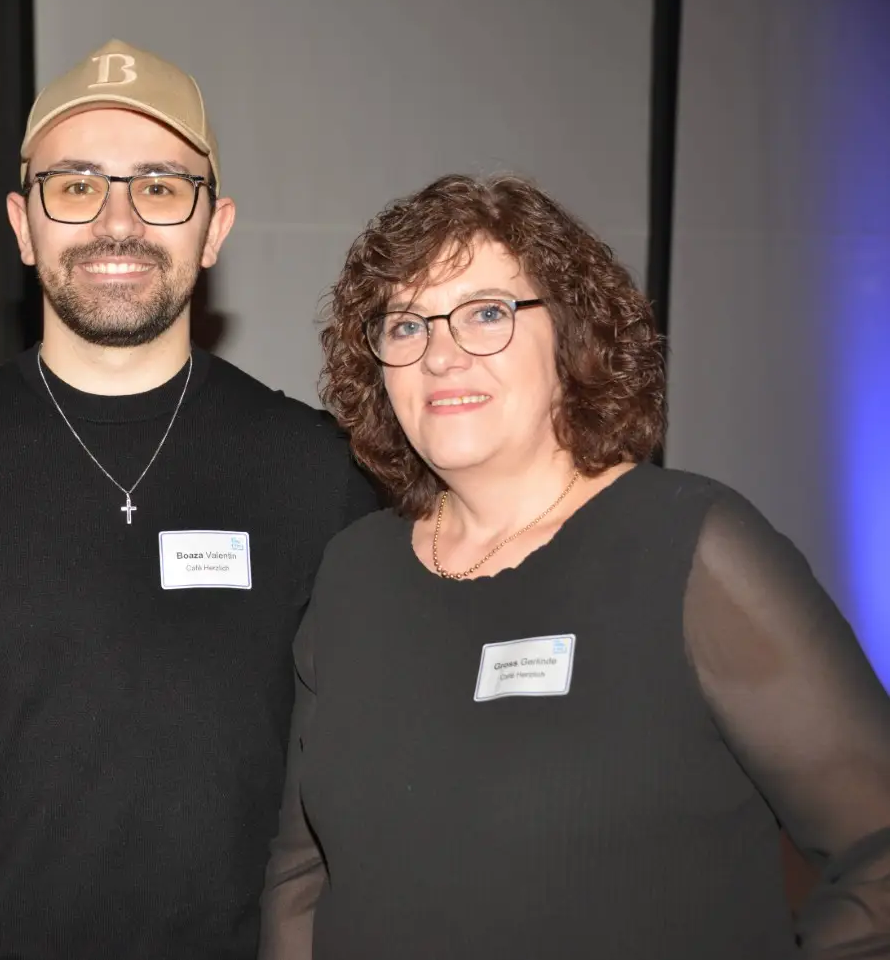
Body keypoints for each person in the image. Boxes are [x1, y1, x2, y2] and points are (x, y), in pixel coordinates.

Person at [258, 173, 890, 959]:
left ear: (572, 334)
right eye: (407, 324)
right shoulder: (355, 570)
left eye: (486, 313)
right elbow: (301, 874)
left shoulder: (690, 547)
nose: (441, 354)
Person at [0, 39, 380, 960]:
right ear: (22, 225)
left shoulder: (322, 473)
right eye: (75, 186)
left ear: (215, 227)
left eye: (159, 185)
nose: (118, 222)